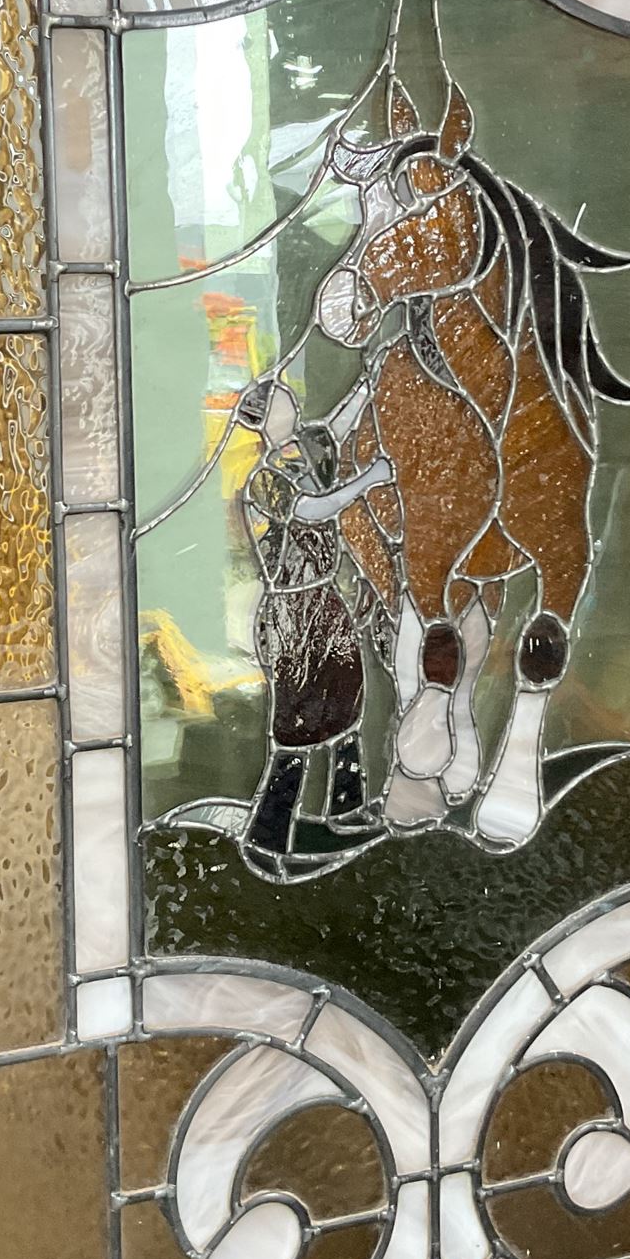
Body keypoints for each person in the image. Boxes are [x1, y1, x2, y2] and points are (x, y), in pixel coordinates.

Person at [232, 375, 393, 881]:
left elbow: (339, 425)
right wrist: (369, 479)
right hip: (290, 614)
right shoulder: (265, 478)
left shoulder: (310, 447)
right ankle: (268, 834)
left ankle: (347, 811)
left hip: (325, 602)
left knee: (347, 701)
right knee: (299, 720)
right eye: (279, 399)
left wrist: (369, 381)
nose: (290, 400)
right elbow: (312, 510)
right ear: (264, 419)